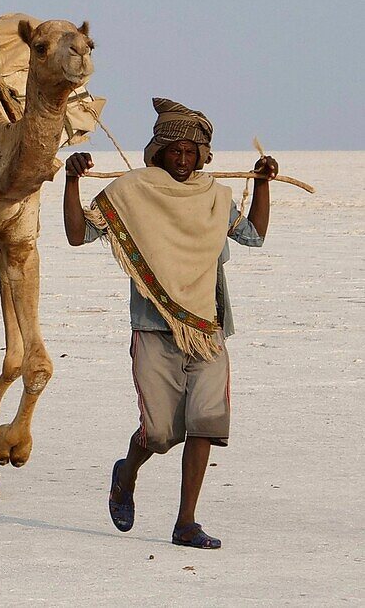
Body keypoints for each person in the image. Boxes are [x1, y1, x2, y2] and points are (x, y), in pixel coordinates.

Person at [63, 97, 278, 549]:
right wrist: (71, 181)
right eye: (174, 151)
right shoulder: (134, 190)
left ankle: (186, 523)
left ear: (203, 156)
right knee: (159, 433)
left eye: (191, 153)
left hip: (207, 329)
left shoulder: (215, 197)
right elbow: (78, 234)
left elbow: (253, 237)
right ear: (157, 152)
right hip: (153, 328)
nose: (183, 160)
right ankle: (126, 473)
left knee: (205, 422)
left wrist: (261, 184)